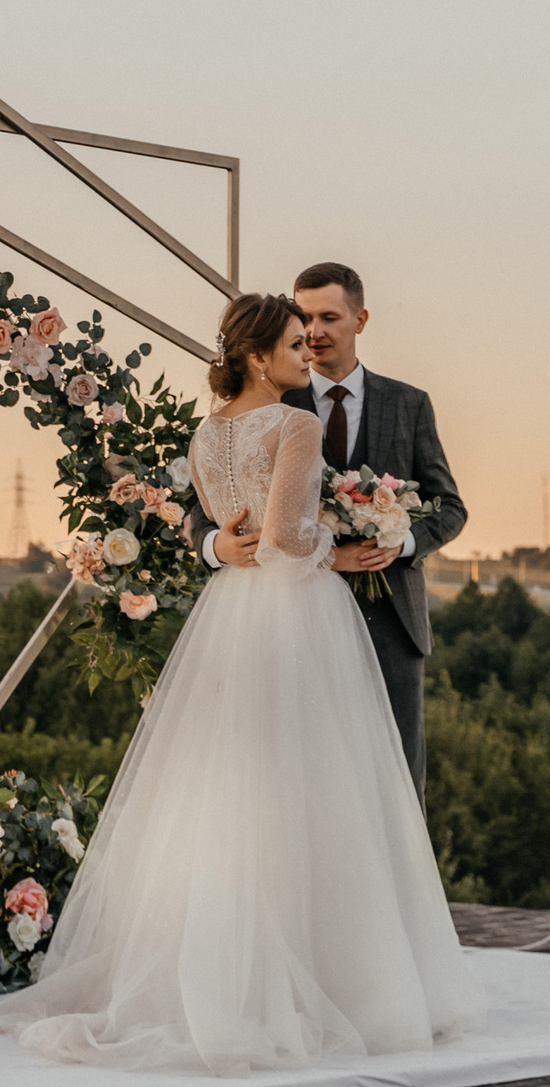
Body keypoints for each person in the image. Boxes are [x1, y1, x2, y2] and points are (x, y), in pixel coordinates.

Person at [0, 294, 480, 1077]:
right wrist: (338, 550)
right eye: (290, 343)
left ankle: (224, 972)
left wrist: (231, 541)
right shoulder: (296, 423)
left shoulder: (206, 431)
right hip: (295, 613)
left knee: (230, 790)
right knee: (314, 786)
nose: (304, 355)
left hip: (232, 612)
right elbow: (284, 535)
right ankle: (331, 979)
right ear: (257, 356)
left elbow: (225, 521)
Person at [187, 262, 464, 790]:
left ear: (360, 320)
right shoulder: (270, 402)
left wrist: (398, 542)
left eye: (329, 317)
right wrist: (215, 544)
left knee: (395, 783)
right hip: (286, 619)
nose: (313, 333)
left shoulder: (408, 403)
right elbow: (203, 510)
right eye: (304, 319)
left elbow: (449, 505)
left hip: (390, 622)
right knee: (296, 779)